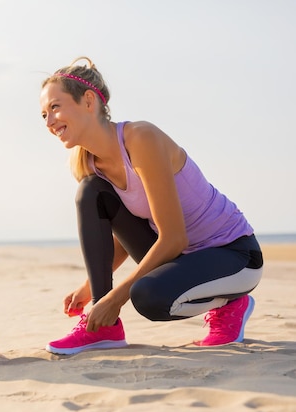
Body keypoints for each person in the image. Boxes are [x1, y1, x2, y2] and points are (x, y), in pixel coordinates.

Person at [39, 57, 263, 354]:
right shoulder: (90, 165)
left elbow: (172, 238)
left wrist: (115, 299)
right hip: (182, 256)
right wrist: (93, 290)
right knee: (89, 191)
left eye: (55, 107)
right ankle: (103, 329)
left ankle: (232, 302)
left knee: (148, 297)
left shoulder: (140, 138)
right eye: (43, 114)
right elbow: (125, 236)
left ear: (88, 101)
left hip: (233, 254)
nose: (49, 120)